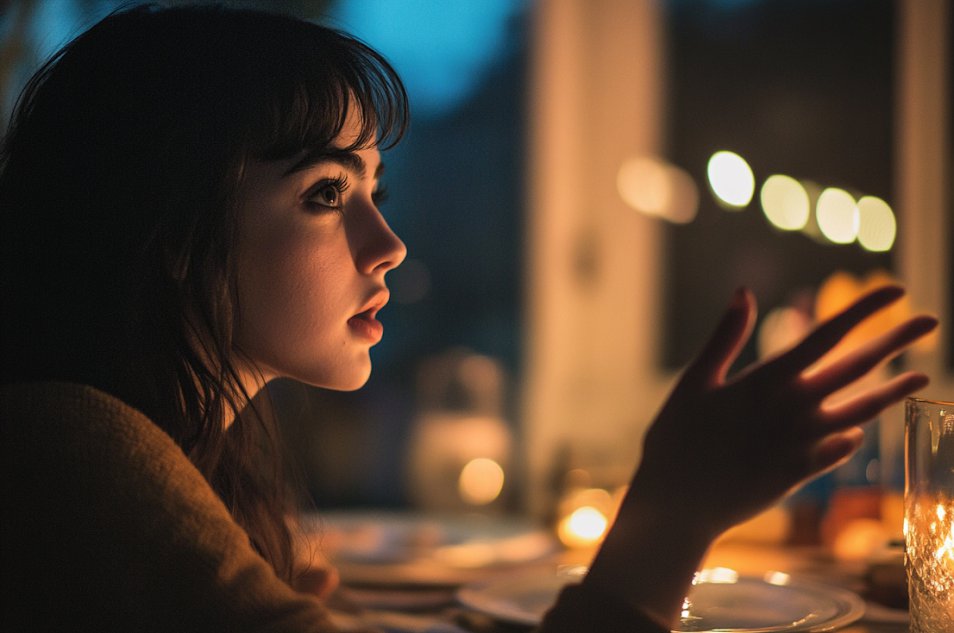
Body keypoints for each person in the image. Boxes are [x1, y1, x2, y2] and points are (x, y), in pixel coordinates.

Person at [0, 4, 938, 632]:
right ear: (172, 229)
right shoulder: (71, 450)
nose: (389, 243)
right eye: (328, 193)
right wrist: (672, 513)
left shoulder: (186, 457)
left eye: (378, 189)